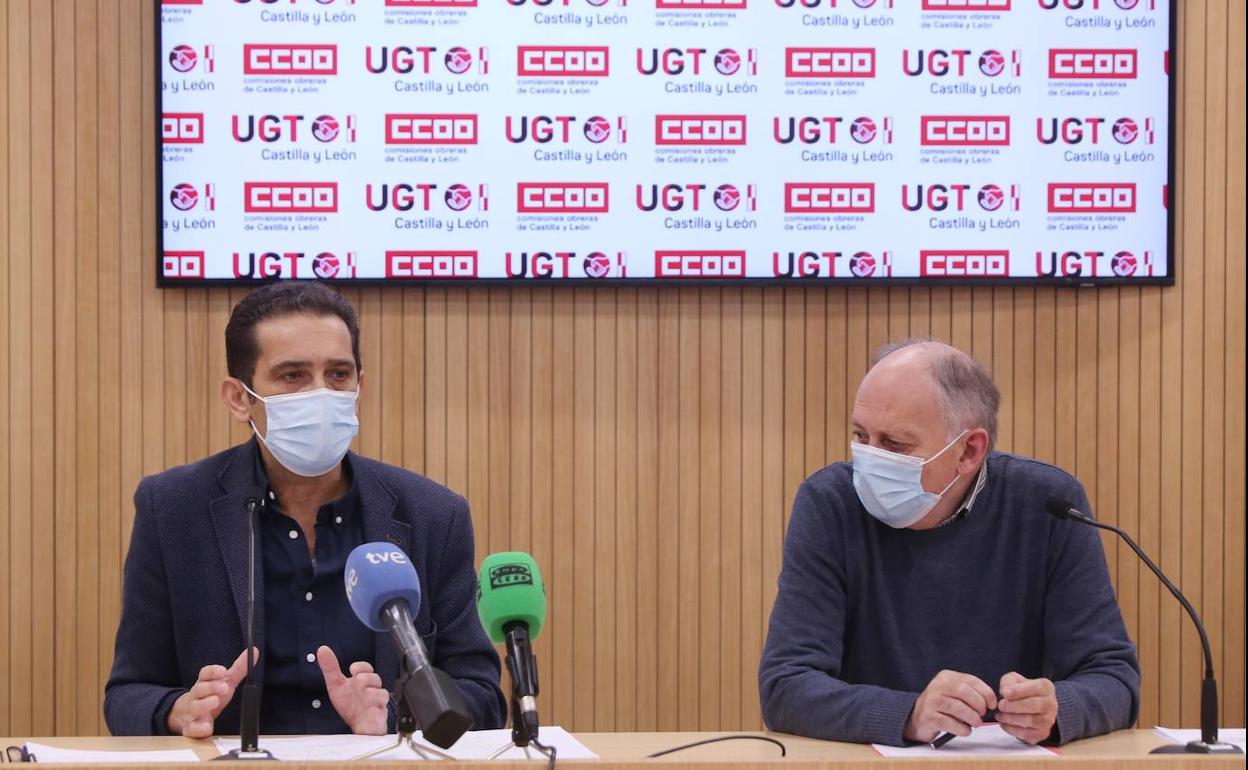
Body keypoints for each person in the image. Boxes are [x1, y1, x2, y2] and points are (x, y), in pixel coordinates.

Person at [105, 282, 506, 737]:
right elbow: (127, 695)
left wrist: (394, 717)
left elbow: (483, 696)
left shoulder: (433, 515)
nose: (321, 394)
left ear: (359, 386)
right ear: (240, 398)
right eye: (293, 375)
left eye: (338, 375)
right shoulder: (173, 509)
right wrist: (176, 709)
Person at [759, 338, 1139, 747]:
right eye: (860, 436)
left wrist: (1057, 708)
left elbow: (1114, 678)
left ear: (969, 451)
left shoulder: (1048, 506)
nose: (868, 460)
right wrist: (908, 714)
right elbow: (786, 686)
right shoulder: (830, 503)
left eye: (894, 444)